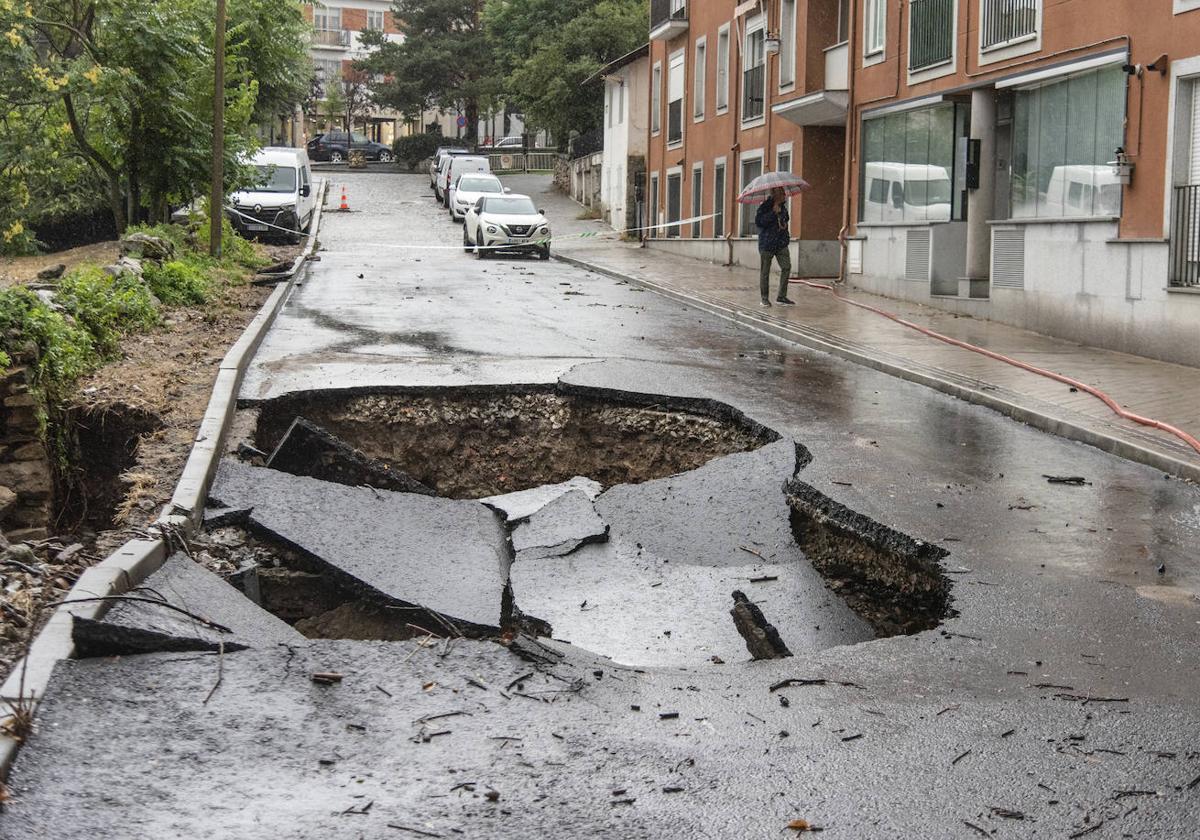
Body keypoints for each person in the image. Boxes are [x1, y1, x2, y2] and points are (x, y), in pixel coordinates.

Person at [755, 187, 795, 306]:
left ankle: (781, 296)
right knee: (765, 272)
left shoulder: (783, 207)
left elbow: (785, 220)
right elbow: (759, 222)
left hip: (781, 243)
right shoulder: (764, 207)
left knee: (786, 267)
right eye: (781, 193)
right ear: (775, 194)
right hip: (767, 244)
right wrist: (772, 213)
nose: (784, 195)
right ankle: (764, 298)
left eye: (784, 193)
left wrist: (781, 216)